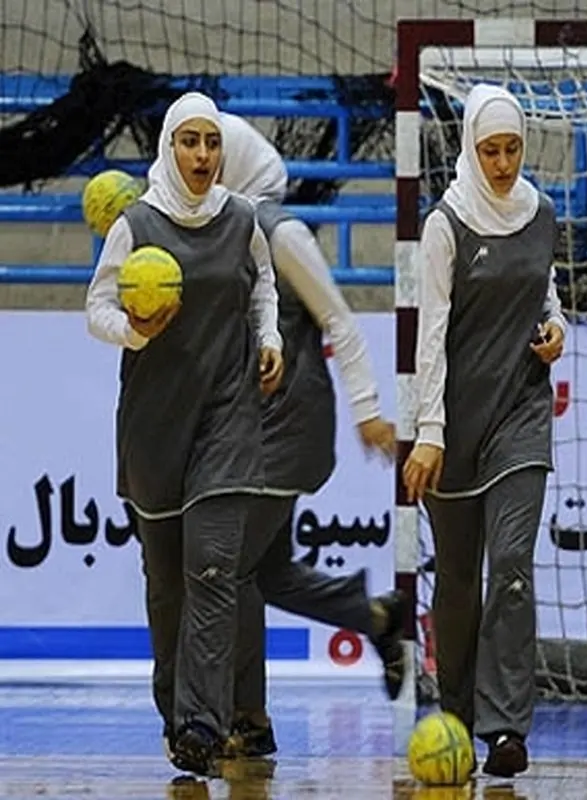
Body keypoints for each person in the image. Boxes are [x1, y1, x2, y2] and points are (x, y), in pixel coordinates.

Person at [84, 92, 284, 775]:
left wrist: (270, 337)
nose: (202, 155)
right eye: (189, 142)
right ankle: (178, 712)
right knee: (168, 585)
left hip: (228, 418)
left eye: (211, 142)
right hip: (154, 425)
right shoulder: (135, 223)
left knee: (213, 568)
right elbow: (96, 307)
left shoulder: (243, 218)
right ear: (169, 148)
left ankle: (205, 720)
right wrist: (133, 330)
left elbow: (263, 287)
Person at [215, 111, 405, 760]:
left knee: (232, 569)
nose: (202, 163)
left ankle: (248, 717)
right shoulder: (222, 234)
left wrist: (368, 410)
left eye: (214, 151)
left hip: (288, 426)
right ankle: (377, 619)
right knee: (268, 574)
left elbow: (341, 323)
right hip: (245, 429)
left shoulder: (282, 232)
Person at [401, 83, 566, 779]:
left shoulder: (542, 213)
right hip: (453, 423)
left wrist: (555, 327)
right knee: (458, 585)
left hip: (521, 415)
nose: (502, 164)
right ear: (470, 147)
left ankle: (506, 730)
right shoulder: (446, 224)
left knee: (514, 567)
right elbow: (430, 335)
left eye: (512, 150)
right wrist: (429, 429)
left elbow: (544, 292)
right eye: (490, 151)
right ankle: (458, 716)